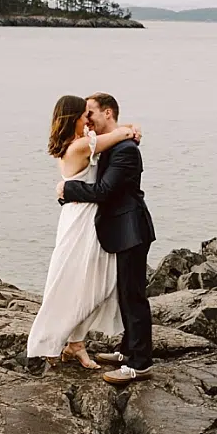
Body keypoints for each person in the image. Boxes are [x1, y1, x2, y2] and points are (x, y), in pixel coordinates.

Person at [27, 95, 141, 369]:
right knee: (80, 283)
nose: (87, 119)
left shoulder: (72, 143)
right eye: (84, 115)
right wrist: (130, 131)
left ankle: (75, 343)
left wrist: (127, 129)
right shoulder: (81, 146)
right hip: (82, 219)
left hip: (84, 215)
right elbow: (117, 137)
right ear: (74, 118)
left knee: (93, 283)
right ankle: (47, 343)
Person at [57, 92, 156, 385]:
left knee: (133, 295)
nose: (87, 119)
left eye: (92, 113)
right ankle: (128, 350)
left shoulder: (126, 150)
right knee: (124, 293)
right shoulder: (113, 143)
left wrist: (67, 190)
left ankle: (140, 364)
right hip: (121, 229)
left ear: (108, 113)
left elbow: (103, 191)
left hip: (131, 229)